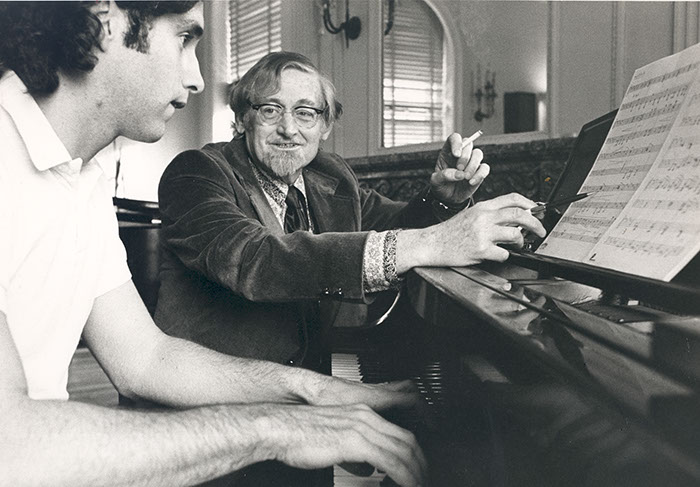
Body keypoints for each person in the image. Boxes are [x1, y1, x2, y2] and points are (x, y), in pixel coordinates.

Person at [0, 3, 428, 486]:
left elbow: (146, 359)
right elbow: (8, 443)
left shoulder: (86, 178)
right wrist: (275, 427)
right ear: (105, 18)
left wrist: (318, 392)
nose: (199, 79)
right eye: (185, 38)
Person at [155, 51, 547, 372]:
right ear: (242, 119)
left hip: (311, 377)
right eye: (271, 110)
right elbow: (255, 259)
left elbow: (393, 224)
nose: (289, 129)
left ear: (325, 127)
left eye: (306, 113)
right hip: (219, 399)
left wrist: (443, 198)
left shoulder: (330, 175)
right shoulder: (195, 172)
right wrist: (432, 242)